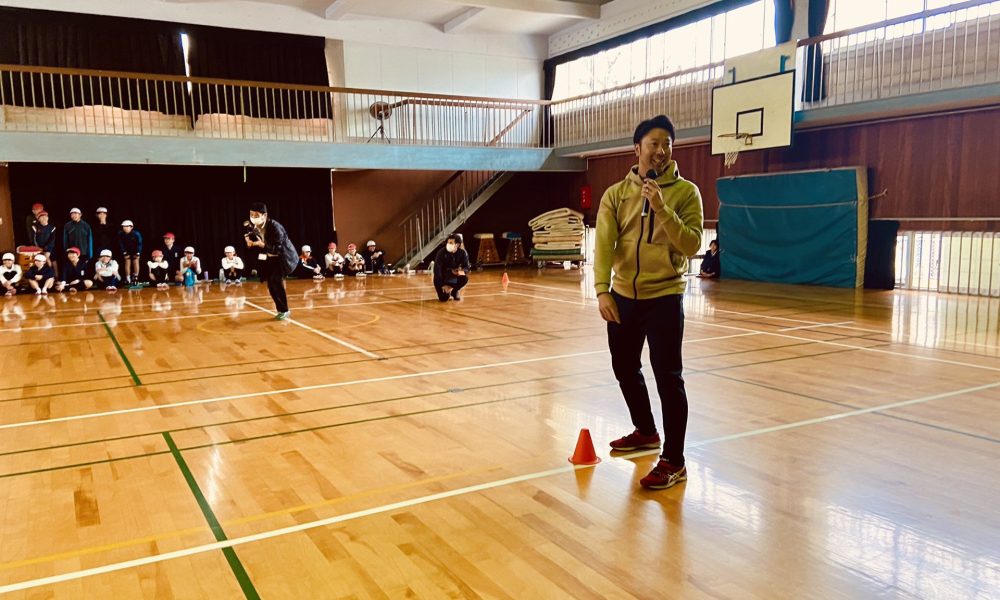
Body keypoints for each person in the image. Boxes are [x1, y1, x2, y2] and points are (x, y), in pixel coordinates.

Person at [595, 114, 704, 491]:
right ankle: (645, 430)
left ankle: (674, 459)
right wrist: (601, 289)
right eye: (654, 143)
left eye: (667, 144)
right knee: (625, 368)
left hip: (664, 297)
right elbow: (605, 244)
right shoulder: (616, 194)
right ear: (637, 148)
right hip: (623, 298)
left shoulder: (686, 193)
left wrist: (661, 207)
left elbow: (691, 245)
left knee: (668, 378)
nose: (661, 150)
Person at [244, 202, 297, 320]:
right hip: (269, 258)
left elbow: (277, 249)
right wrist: (249, 243)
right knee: (271, 284)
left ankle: (284, 310)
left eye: (256, 215)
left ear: (264, 215)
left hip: (284, 258)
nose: (253, 217)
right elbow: (253, 242)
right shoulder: (254, 227)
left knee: (275, 281)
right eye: (251, 215)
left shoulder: (275, 227)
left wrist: (261, 245)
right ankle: (281, 310)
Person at [433, 233, 471, 301]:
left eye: (451, 243)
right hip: (442, 277)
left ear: (457, 245)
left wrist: (461, 271)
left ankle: (454, 291)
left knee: (465, 278)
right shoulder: (441, 252)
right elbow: (437, 270)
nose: (448, 244)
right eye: (448, 242)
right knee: (443, 299)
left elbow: (467, 267)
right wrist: (442, 285)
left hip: (453, 275)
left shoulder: (462, 253)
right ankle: (446, 291)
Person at [118, 220, 143, 285]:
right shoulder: (120, 234)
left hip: (135, 250)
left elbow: (139, 244)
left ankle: (136, 277)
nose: (125, 228)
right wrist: (124, 253)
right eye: (123, 226)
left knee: (136, 261)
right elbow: (121, 244)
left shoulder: (136, 234)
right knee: (127, 262)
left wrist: (138, 253)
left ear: (131, 227)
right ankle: (128, 278)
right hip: (127, 251)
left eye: (127, 226)